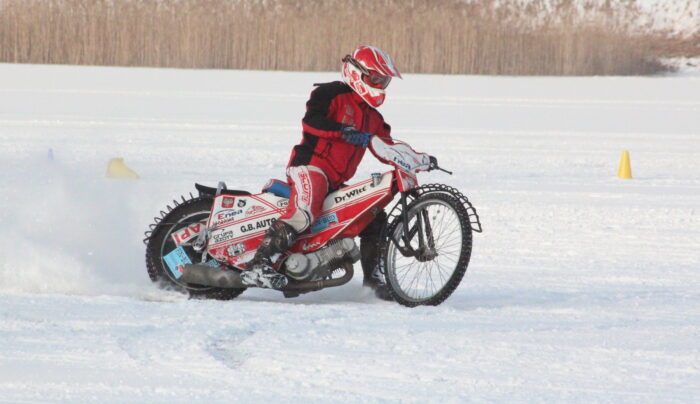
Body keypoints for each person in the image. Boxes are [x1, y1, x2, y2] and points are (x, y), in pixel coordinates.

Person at [241, 45, 401, 300]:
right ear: (358, 73)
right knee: (305, 211)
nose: (381, 85)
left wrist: (415, 158)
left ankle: (375, 283)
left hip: (336, 180)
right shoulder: (330, 93)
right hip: (311, 167)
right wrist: (345, 131)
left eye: (385, 80)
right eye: (377, 78)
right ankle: (259, 266)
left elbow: (387, 146)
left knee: (374, 218)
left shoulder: (374, 117)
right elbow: (312, 122)